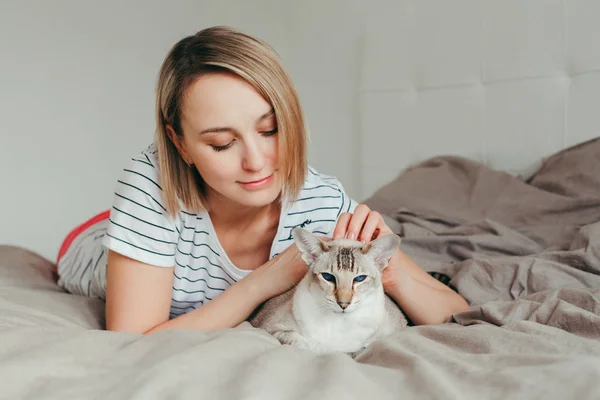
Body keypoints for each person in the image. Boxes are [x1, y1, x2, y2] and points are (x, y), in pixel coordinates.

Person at [55, 26, 469, 334]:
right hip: (92, 244)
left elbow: (455, 312)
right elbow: (131, 343)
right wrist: (262, 282)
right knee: (101, 244)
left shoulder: (320, 202)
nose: (257, 163)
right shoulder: (150, 187)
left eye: (270, 131)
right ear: (179, 144)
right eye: (221, 144)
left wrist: (391, 275)